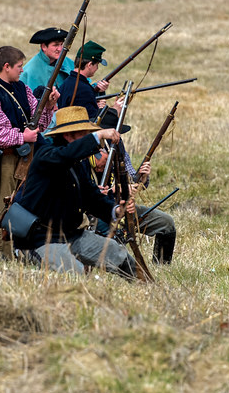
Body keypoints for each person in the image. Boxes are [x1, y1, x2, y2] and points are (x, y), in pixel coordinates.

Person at [12, 106, 138, 279]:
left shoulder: (78, 162)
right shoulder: (46, 155)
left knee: (118, 254)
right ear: (68, 136)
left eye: (88, 133)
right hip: (40, 240)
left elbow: (91, 197)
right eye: (83, 134)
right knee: (75, 275)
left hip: (71, 234)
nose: (87, 137)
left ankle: (145, 286)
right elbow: (65, 155)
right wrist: (98, 136)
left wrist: (115, 210)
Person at [0, 45, 58, 258]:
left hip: (24, 157)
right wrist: (22, 137)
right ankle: (1, 255)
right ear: (6, 66)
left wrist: (48, 106)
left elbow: (38, 122)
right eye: (19, 66)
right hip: (2, 159)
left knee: (23, 206)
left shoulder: (22, 88)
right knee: (2, 208)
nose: (23, 70)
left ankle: (20, 253)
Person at [90, 111, 177, 264]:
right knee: (115, 246)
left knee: (166, 223)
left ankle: (161, 267)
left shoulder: (118, 147)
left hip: (122, 207)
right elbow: (84, 191)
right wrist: (116, 189)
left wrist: (142, 178)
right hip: (97, 213)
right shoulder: (85, 152)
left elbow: (131, 179)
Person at [57, 40, 112, 119]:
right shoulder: (83, 89)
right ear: (89, 64)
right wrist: (115, 109)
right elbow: (92, 121)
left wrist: (100, 92)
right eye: (97, 65)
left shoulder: (68, 82)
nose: (97, 68)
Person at [20, 27, 75, 97]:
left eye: (61, 44)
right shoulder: (30, 71)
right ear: (43, 47)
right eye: (56, 45)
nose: (60, 49)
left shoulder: (68, 62)